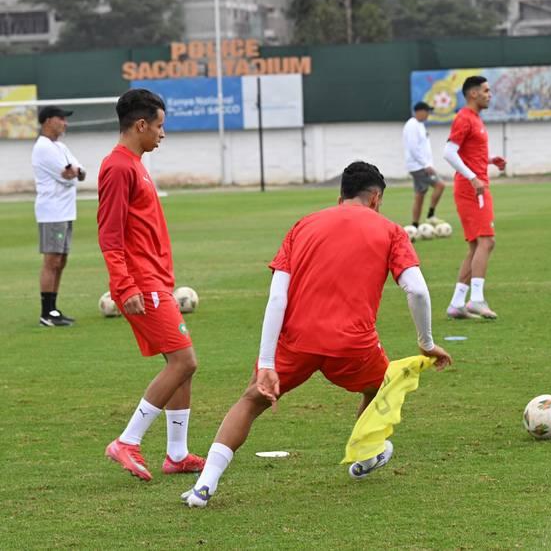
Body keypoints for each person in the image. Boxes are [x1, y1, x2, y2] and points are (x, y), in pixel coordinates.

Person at [181, 161, 452, 507]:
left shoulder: (303, 226)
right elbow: (417, 291)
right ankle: (366, 454)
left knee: (251, 400)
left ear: (341, 196)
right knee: (381, 385)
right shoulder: (391, 230)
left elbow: (277, 297)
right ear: (375, 198)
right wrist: (426, 343)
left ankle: (205, 485)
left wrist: (267, 363)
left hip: (296, 341)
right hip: (354, 344)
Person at [98, 89, 204, 480]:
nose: (163, 134)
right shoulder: (119, 167)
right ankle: (126, 441)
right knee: (184, 361)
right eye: (159, 126)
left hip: (156, 279)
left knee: (182, 367)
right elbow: (109, 236)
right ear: (141, 124)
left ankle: (177, 454)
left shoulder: (135, 163)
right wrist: (125, 288)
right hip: (142, 284)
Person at [443, 76, 506, 320]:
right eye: (486, 91)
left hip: (474, 186)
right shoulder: (464, 118)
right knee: (487, 241)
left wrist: (490, 161)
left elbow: (467, 154)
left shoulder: (475, 119)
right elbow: (448, 152)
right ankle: (476, 299)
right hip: (473, 190)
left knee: (476, 246)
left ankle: (457, 303)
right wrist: (473, 177)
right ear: (473, 94)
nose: (489, 94)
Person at [33, 106, 85, 327]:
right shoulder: (43, 147)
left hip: (65, 210)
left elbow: (79, 172)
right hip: (52, 212)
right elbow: (67, 175)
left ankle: (53, 309)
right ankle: (47, 312)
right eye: (61, 119)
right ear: (47, 121)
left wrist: (74, 172)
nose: (65, 123)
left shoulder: (60, 146)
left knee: (61, 261)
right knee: (52, 261)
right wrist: (73, 173)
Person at [403, 101, 447, 228]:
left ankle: (415, 225)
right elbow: (413, 148)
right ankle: (431, 215)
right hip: (419, 166)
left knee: (420, 195)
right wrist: (426, 165)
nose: (428, 114)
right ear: (419, 111)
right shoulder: (412, 125)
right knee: (440, 185)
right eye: (427, 111)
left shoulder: (419, 125)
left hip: (418, 165)